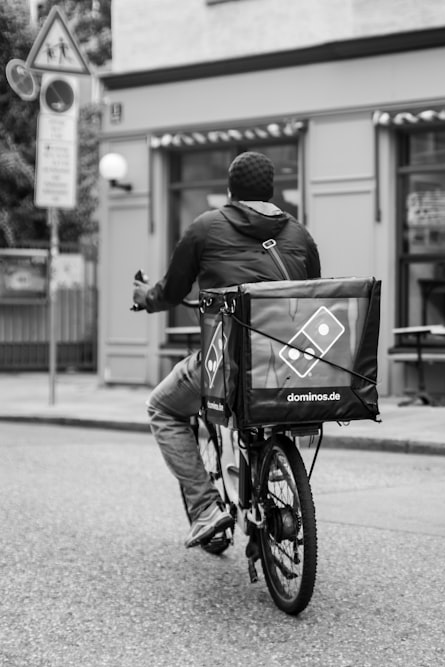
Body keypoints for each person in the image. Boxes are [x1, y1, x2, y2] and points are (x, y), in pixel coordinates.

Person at [132, 151, 321, 548]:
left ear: (230, 190)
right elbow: (311, 295)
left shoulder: (205, 228)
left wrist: (145, 298)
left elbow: (171, 292)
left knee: (162, 407)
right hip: (289, 363)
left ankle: (205, 508)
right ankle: (269, 465)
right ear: (271, 190)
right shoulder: (300, 235)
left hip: (228, 364)